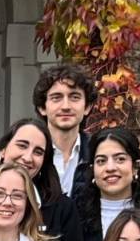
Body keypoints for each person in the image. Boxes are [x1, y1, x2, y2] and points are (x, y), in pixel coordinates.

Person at [34, 62, 98, 202]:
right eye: (56, 98)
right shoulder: (27, 154)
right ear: (42, 108)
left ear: (87, 107)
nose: (65, 106)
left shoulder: (97, 153)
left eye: (74, 97)